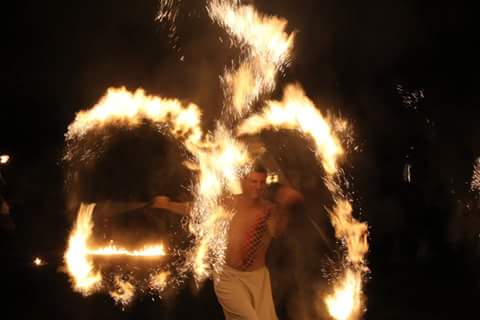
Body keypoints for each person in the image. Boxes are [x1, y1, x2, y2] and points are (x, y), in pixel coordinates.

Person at [151, 164, 303, 320]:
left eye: (261, 182)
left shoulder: (269, 210)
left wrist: (286, 207)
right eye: (253, 181)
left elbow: (277, 231)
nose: (258, 187)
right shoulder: (229, 203)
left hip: (257, 279)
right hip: (228, 277)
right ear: (243, 181)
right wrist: (168, 205)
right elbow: (196, 209)